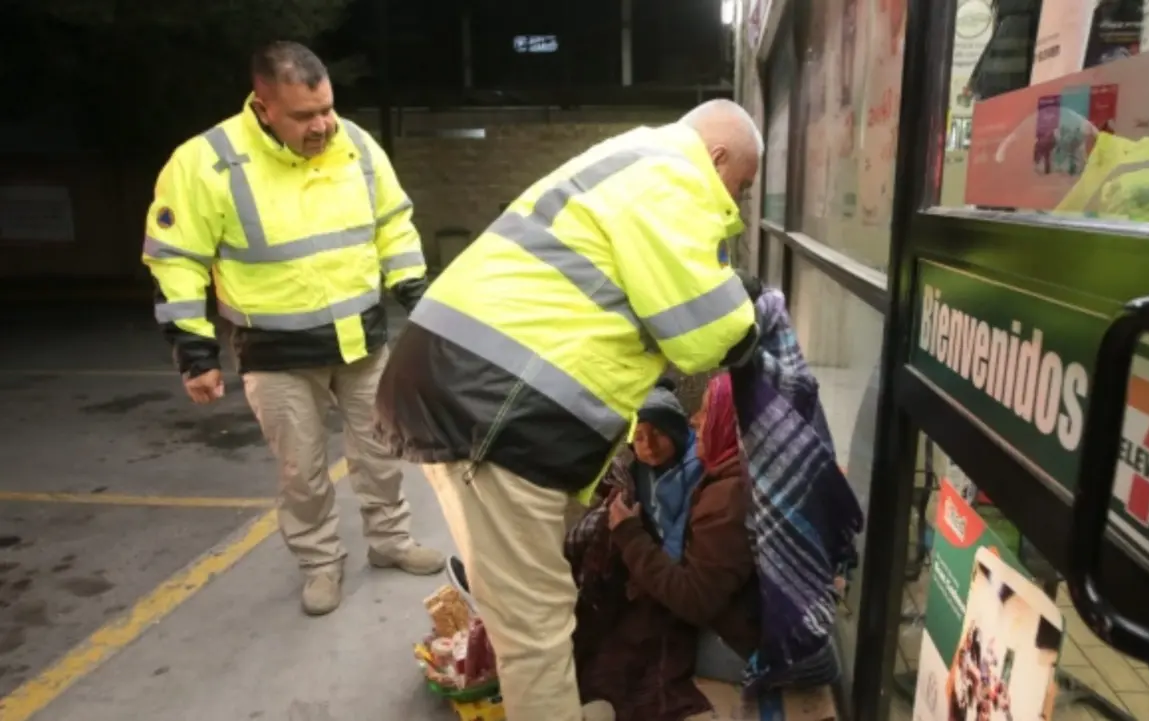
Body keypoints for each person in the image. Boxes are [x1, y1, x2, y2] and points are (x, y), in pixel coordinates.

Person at [376, 99, 765, 721]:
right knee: (535, 621)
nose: (737, 205)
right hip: (491, 410)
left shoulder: (637, 161)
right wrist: (746, 314)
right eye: (740, 187)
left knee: (533, 604)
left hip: (476, 392)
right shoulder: (675, 178)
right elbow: (703, 336)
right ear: (717, 158)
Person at [141, 41, 444, 617]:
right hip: (276, 353)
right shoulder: (206, 162)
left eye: (327, 108)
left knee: (382, 453)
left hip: (361, 339)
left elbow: (393, 224)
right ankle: (320, 564)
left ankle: (391, 541)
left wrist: (416, 295)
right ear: (263, 107)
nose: (323, 125)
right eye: (305, 116)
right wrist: (194, 351)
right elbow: (175, 260)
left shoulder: (355, 144)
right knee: (302, 472)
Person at [568, 375, 758, 721]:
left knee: (641, 639)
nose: (695, 420)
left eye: (705, 412)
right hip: (691, 586)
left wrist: (628, 532)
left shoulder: (725, 494)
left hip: (724, 631)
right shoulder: (719, 473)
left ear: (728, 425)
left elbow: (692, 598)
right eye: (639, 437)